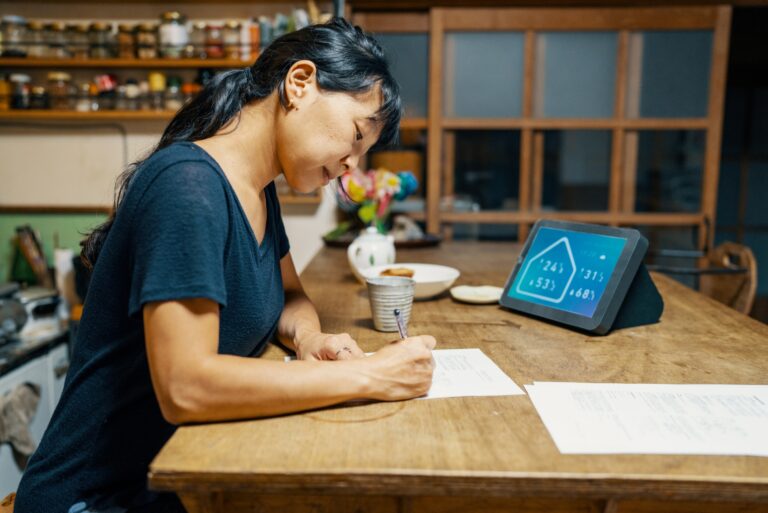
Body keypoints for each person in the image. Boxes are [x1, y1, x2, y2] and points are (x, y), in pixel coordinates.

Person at [15, 18, 436, 513]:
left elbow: (290, 297)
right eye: (356, 136)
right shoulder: (188, 188)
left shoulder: (257, 189)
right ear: (300, 83)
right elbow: (186, 387)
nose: (352, 167)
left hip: (173, 478)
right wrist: (372, 377)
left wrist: (309, 340)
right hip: (99, 496)